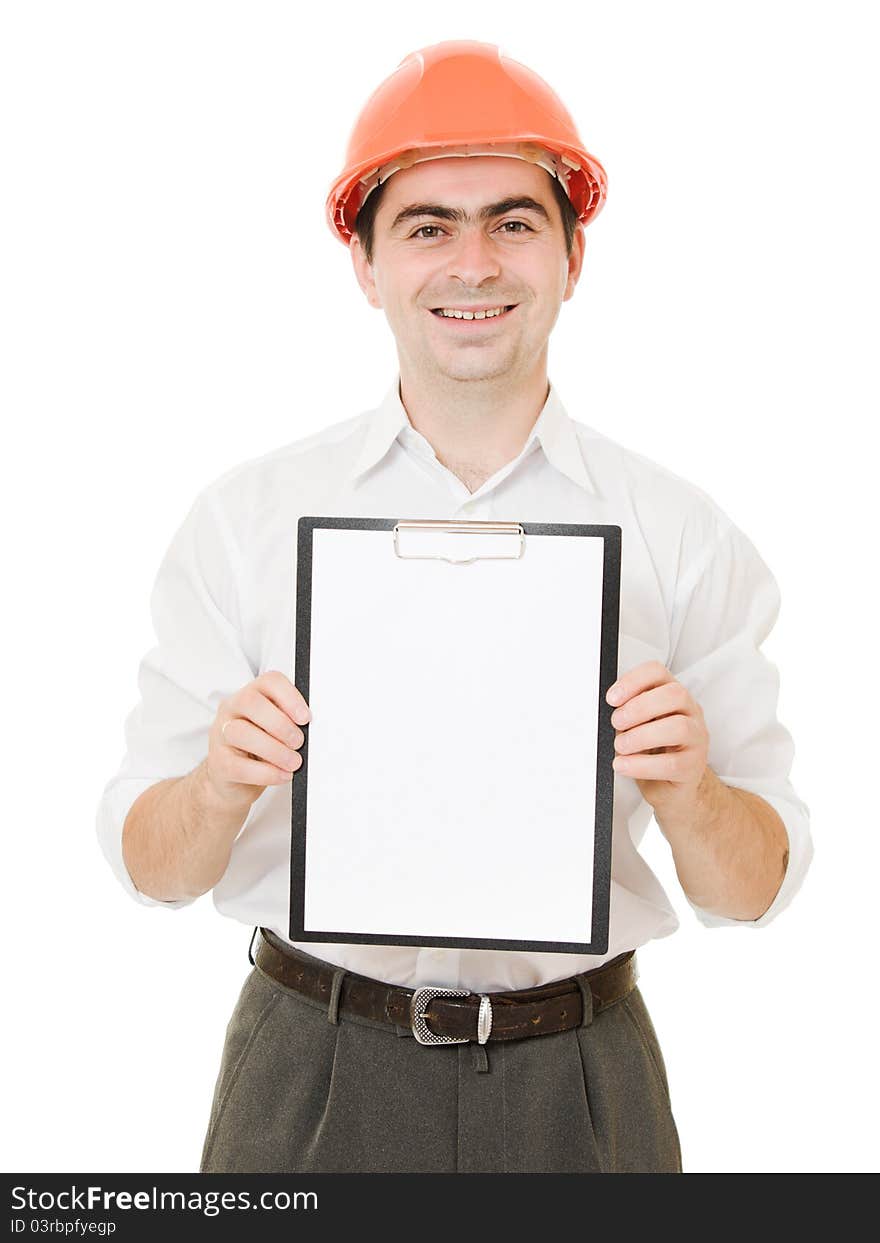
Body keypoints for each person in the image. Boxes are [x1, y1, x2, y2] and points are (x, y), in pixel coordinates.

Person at [96, 39, 813, 1175]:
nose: (471, 263)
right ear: (367, 263)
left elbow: (756, 887)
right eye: (427, 225)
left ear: (572, 257)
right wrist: (219, 779)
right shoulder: (246, 519)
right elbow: (152, 866)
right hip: (312, 1067)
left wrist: (691, 790)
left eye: (513, 221)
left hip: (582, 1075)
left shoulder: (680, 534)